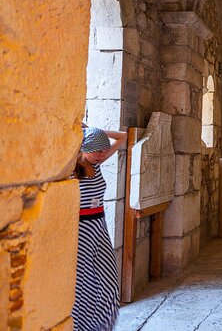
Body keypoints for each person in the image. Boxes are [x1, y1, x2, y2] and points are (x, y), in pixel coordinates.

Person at [71, 126, 126, 331]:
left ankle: (101, 325)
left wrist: (95, 130)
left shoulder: (98, 163)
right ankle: (80, 326)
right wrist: (84, 133)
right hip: (81, 230)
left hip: (99, 227)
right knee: (82, 282)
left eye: (104, 150)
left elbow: (123, 137)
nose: (102, 154)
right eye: (97, 150)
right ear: (84, 149)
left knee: (108, 278)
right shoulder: (72, 168)